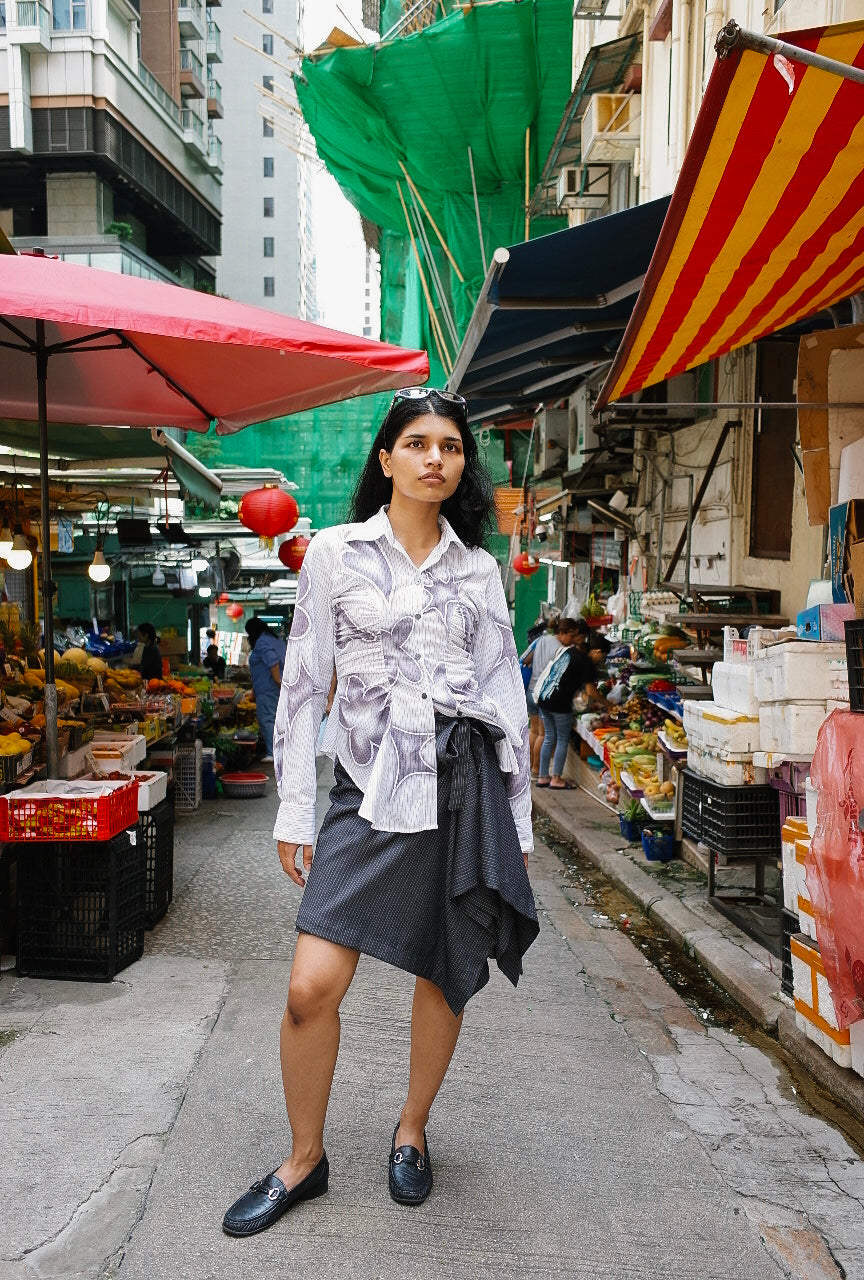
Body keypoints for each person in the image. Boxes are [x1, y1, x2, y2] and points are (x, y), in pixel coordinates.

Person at [222, 387, 538, 1238]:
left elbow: (505, 692)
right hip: (365, 795)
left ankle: (411, 1130)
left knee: (445, 968)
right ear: (387, 458)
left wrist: (519, 820)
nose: (437, 458)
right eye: (419, 443)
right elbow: (302, 686)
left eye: (452, 446)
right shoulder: (332, 553)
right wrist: (293, 811)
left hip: (461, 786)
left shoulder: (476, 568)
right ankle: (304, 1160)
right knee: (307, 988)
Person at [535, 617, 602, 790]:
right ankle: (556, 779)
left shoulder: (565, 652)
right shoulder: (583, 660)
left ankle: (543, 777)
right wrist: (607, 704)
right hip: (559, 704)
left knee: (550, 737)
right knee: (562, 739)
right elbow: (590, 692)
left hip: (544, 698)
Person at [522, 614, 561, 779]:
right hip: (543, 692)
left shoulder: (539, 641)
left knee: (533, 730)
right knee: (543, 734)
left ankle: (529, 767)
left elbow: (524, 660)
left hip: (530, 690)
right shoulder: (560, 646)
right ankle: (537, 770)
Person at [245, 617, 286, 762]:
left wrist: (277, 680)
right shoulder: (273, 639)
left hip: (269, 688)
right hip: (274, 688)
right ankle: (280, 752)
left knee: (267, 720)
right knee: (277, 719)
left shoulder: (262, 642)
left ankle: (272, 753)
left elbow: (272, 660)